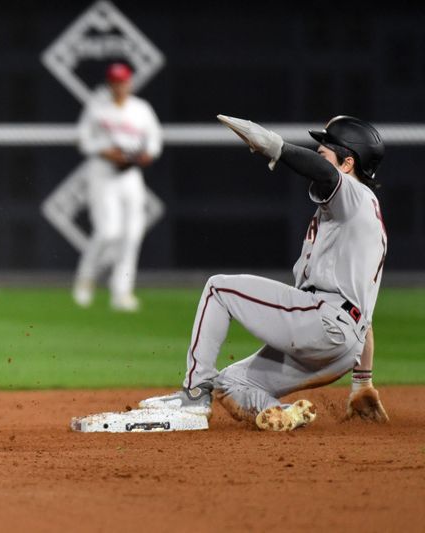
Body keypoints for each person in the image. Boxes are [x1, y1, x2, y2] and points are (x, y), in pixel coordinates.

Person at [138, 114, 389, 431]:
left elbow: (324, 173)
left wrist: (277, 148)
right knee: (229, 382)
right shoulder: (362, 217)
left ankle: (193, 393)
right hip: (343, 347)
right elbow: (364, 318)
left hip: (323, 323)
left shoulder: (353, 194)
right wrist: (362, 384)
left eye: (324, 149)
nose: (318, 153)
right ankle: (282, 413)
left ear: (348, 163)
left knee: (219, 289)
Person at [72, 62, 163, 312]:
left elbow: (154, 141)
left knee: (132, 235)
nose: (120, 85)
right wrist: (106, 152)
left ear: (130, 83)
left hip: (130, 176)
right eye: (115, 81)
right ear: (109, 83)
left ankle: (121, 292)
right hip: (103, 174)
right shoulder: (98, 108)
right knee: (108, 232)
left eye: (124, 81)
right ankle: (86, 278)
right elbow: (83, 140)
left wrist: (147, 155)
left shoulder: (141, 109)